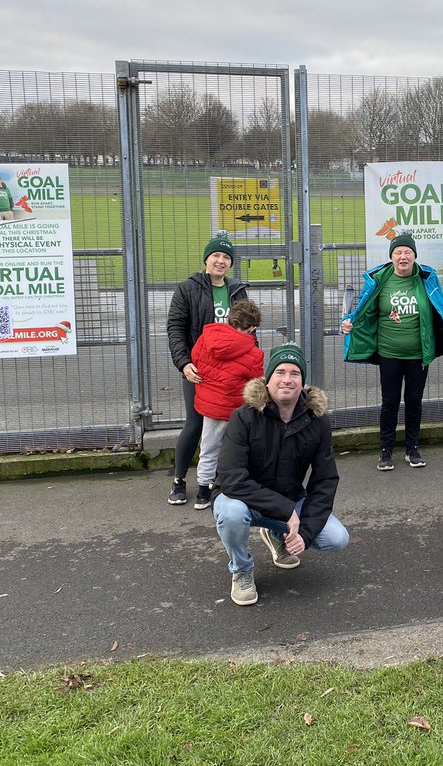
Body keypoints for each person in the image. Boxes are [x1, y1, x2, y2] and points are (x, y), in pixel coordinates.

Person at [212, 344, 349, 606]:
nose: (287, 379)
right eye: (280, 372)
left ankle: (278, 537)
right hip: (242, 500)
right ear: (268, 379)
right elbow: (231, 479)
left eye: (295, 373)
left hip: (288, 503)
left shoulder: (317, 421)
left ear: (303, 381)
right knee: (231, 514)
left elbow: (325, 480)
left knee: (336, 539)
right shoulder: (244, 417)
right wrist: (286, 510)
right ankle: (241, 569)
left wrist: (305, 534)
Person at [341, 233, 443, 471]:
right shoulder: (379, 280)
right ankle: (386, 451)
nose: (403, 256)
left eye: (407, 252)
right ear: (391, 256)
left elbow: (441, 308)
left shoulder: (426, 278)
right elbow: (362, 309)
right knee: (389, 402)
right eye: (398, 252)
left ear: (414, 256)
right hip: (389, 353)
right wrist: (348, 322)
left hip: (419, 354)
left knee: (414, 401)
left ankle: (412, 449)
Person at [166, 231, 249, 506]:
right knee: (195, 422)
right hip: (198, 369)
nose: (221, 261)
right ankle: (179, 480)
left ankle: (216, 480)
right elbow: (175, 328)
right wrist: (184, 363)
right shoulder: (187, 289)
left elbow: (249, 329)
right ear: (206, 259)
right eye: (216, 255)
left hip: (230, 372)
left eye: (226, 257)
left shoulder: (237, 289)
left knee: (228, 425)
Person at [188, 300, 265, 510]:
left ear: (230, 319)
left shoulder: (207, 337)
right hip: (236, 409)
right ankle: (234, 486)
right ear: (253, 328)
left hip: (210, 404)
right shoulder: (253, 353)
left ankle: (203, 491)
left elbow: (195, 358)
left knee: (209, 447)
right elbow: (257, 380)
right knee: (239, 448)